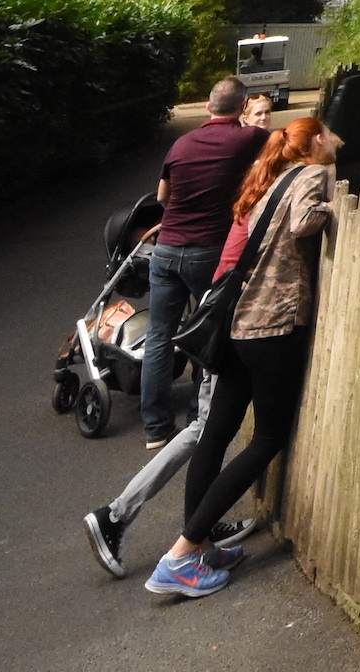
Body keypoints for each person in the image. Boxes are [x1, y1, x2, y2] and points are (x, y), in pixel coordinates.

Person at [145, 115, 340, 600]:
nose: (339, 141)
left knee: (218, 431)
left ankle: (201, 545)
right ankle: (180, 556)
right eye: (331, 134)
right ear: (315, 141)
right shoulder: (312, 173)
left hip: (236, 325)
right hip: (271, 325)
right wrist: (334, 206)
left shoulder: (269, 175)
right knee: (267, 437)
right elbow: (303, 223)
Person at [139, 78, 268, 448]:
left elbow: (163, 196)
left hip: (166, 250)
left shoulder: (181, 143)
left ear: (208, 107)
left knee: (160, 335)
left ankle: (155, 427)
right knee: (209, 330)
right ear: (243, 107)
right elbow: (284, 150)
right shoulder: (247, 139)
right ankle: (199, 416)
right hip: (207, 252)